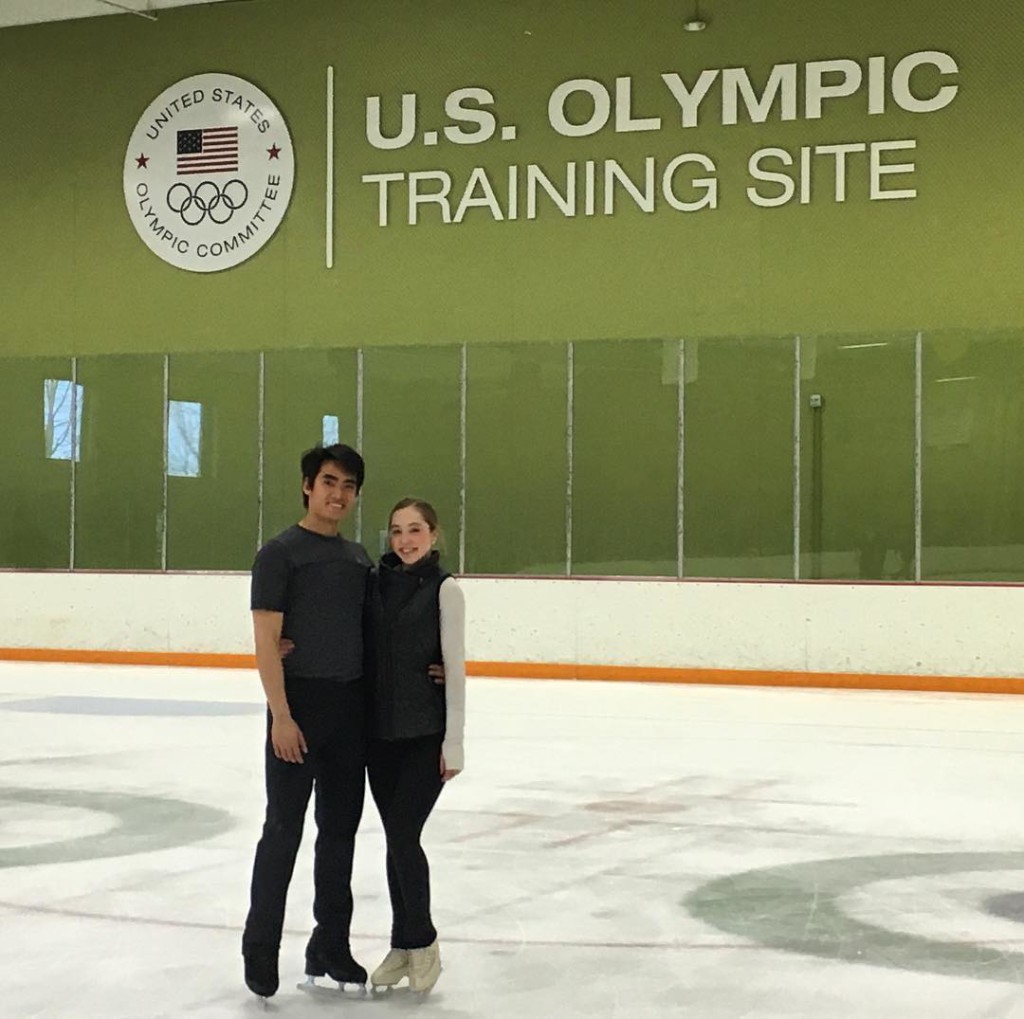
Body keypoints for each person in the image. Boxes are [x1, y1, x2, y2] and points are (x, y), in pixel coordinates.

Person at [241, 444, 372, 1000]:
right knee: (283, 832)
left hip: (350, 716)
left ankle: (330, 943)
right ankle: (260, 945)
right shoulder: (279, 555)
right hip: (298, 715)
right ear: (306, 485)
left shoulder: (360, 559)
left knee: (339, 834)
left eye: (348, 486)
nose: (337, 494)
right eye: (328, 482)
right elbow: (267, 643)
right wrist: (281, 717)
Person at [365, 498, 466, 995]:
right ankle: (401, 944)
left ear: (434, 534)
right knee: (394, 841)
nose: (406, 540)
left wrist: (455, 742)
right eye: (397, 531)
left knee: (404, 835)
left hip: (425, 737)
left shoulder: (446, 591)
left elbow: (457, 670)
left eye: (416, 530)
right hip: (379, 738)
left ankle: (422, 942)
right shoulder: (373, 583)